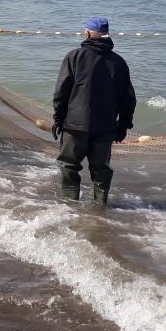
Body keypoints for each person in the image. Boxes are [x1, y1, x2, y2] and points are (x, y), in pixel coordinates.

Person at [52, 16, 136, 205]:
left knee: (69, 165)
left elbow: (61, 92)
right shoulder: (119, 62)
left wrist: (57, 120)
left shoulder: (74, 56)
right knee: (101, 170)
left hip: (74, 126)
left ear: (88, 33)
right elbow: (128, 99)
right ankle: (100, 210)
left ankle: (70, 207)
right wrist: (123, 126)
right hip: (105, 127)